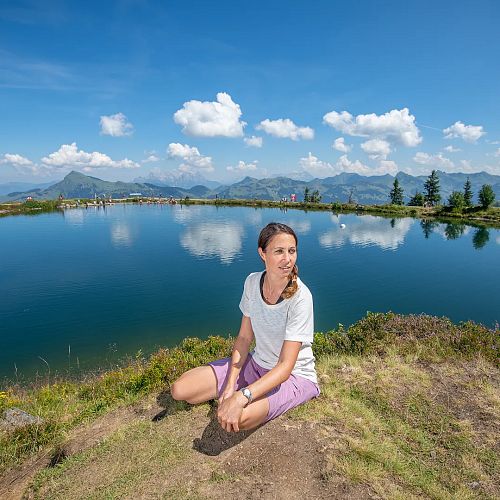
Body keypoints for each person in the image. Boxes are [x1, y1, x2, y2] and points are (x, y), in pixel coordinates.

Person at [171, 222, 319, 432]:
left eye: (292, 251)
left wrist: (242, 396)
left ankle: (254, 396)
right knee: (180, 390)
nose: (287, 259)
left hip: (294, 376)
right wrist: (231, 383)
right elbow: (243, 338)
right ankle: (241, 388)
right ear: (262, 253)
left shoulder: (301, 298)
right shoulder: (252, 282)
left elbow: (286, 366)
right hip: (256, 364)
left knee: (235, 419)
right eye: (279, 251)